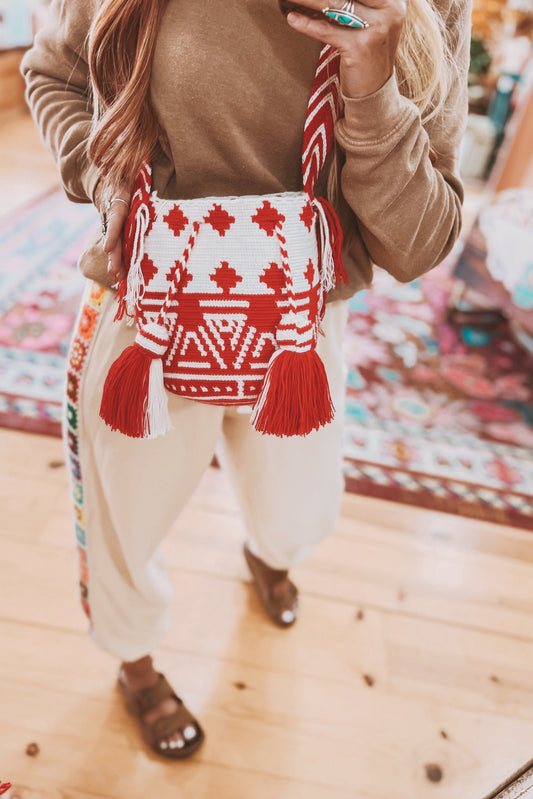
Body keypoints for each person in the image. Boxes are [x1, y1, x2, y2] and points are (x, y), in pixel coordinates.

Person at [21, 0, 471, 759]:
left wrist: (370, 92)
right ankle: (134, 661)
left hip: (298, 322)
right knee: (121, 527)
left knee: (297, 513)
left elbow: (419, 242)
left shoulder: (420, 7)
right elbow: (53, 74)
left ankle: (269, 552)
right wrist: (111, 190)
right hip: (147, 314)